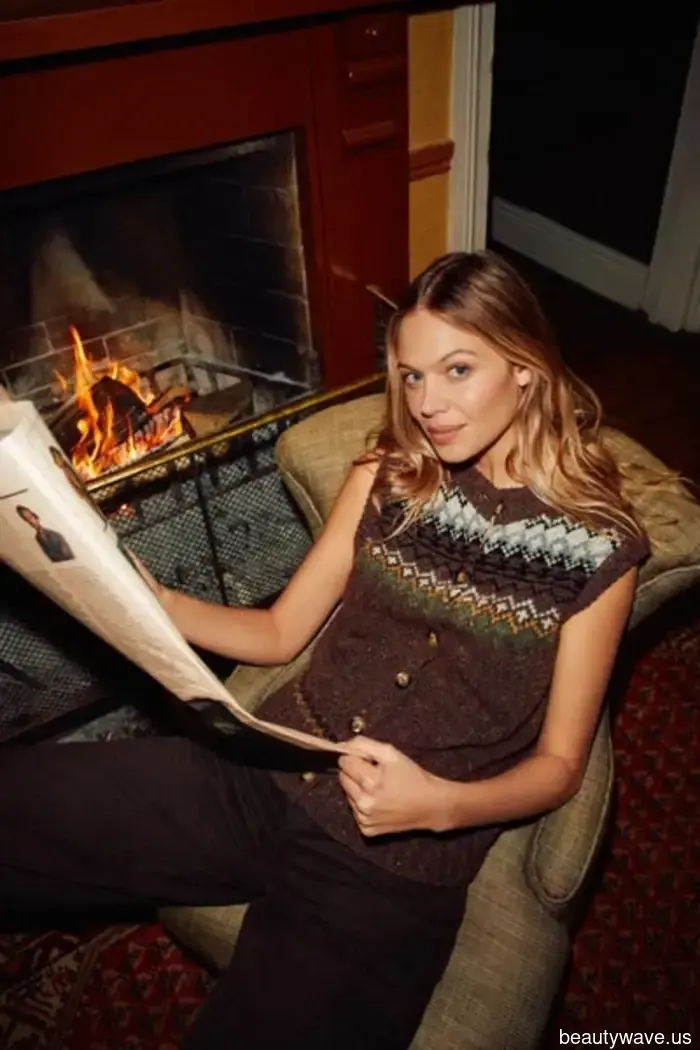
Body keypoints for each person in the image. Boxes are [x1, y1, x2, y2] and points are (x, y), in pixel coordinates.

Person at [0, 251, 650, 1050]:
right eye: (411, 376)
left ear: (525, 366)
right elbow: (279, 632)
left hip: (392, 864)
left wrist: (439, 805)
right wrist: (153, 601)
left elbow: (560, 766)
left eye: (456, 370)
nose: (429, 403)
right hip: (263, 768)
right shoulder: (389, 473)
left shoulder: (597, 551)